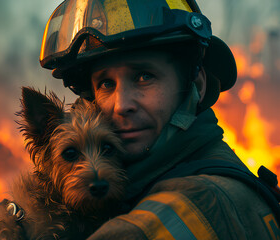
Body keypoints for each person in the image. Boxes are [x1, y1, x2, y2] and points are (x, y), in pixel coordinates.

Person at [39, 0, 280, 239]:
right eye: (106, 83)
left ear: (195, 85)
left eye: (144, 76)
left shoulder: (183, 208)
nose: (122, 105)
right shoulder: (211, 171)